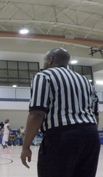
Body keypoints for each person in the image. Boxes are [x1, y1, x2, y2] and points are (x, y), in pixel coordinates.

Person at [20, 48, 100, 177]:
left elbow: (37, 113)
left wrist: (25, 147)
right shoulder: (85, 81)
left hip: (61, 136)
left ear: (50, 60)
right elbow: (95, 113)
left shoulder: (44, 76)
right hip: (91, 135)